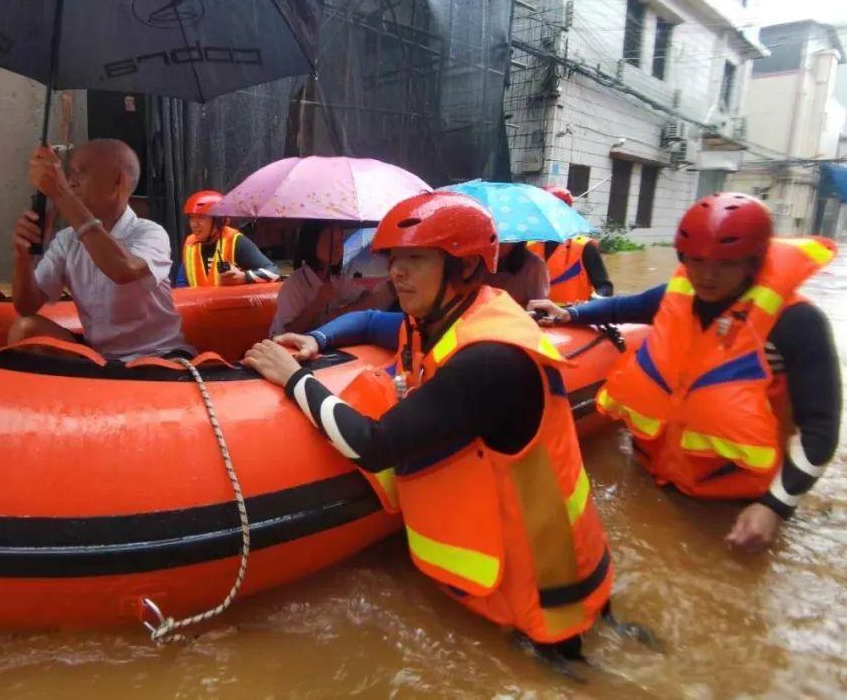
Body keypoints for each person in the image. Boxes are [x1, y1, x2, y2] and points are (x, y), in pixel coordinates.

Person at [245, 193, 616, 665]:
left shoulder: (489, 360)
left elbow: (374, 445)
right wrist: (318, 339)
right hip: (543, 563)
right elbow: (373, 321)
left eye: (415, 259)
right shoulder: (447, 317)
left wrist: (293, 378)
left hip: (548, 596)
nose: (396, 272)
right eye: (394, 259)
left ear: (463, 268)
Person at [530, 193, 841, 554]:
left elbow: (821, 430)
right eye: (695, 260)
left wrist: (775, 507)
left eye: (725, 264)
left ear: (753, 262)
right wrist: (569, 313)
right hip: (653, 475)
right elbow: (624, 307)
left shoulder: (796, 323)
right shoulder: (679, 294)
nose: (707, 275)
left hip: (735, 501)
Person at [10, 139, 192, 361]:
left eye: (80, 174)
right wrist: (24, 258)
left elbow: (123, 269)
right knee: (25, 328)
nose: (70, 182)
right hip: (99, 358)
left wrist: (60, 194)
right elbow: (26, 305)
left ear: (118, 182)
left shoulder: (150, 233)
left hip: (157, 356)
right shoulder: (67, 240)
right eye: (69, 175)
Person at [268, 221, 393, 336]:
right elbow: (286, 333)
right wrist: (317, 304)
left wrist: (340, 314)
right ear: (311, 244)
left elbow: (365, 296)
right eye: (330, 243)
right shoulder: (294, 284)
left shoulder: (337, 279)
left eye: (340, 242)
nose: (338, 248)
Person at [175, 190, 280, 287]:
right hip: (200, 306)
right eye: (191, 218)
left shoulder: (236, 241)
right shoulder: (190, 243)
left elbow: (274, 272)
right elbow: (182, 281)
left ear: (219, 221)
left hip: (228, 306)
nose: (194, 224)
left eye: (201, 218)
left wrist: (245, 277)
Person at [529, 187, 613, 304]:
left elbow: (605, 288)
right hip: (536, 319)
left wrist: (591, 302)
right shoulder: (528, 247)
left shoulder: (585, 247)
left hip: (575, 318)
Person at [483, 241, 550, 306]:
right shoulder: (478, 262)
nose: (498, 243)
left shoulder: (534, 265)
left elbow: (539, 305)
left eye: (505, 239)